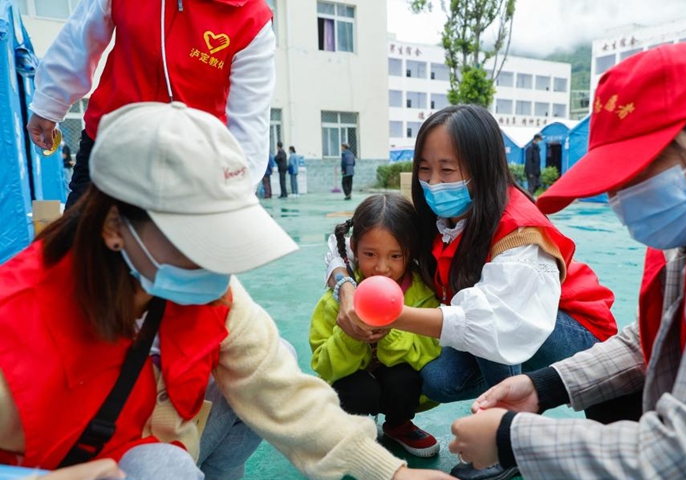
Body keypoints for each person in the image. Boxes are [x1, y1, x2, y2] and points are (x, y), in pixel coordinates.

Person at [0, 102, 453, 480]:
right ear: (115, 226)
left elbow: (281, 390)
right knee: (163, 468)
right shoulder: (16, 323)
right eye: (196, 240)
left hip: (158, 435)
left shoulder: (210, 290)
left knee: (272, 363)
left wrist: (394, 473)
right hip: (74, 463)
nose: (217, 263)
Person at [448, 43, 686, 480]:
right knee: (610, 397)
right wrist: (544, 386)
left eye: (641, 172)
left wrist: (510, 439)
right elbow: (650, 339)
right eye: (614, 182)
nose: (621, 200)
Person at [328, 105, 631, 480]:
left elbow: (493, 321)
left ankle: (508, 445)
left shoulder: (518, 229)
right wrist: (345, 285)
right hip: (498, 327)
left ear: (482, 167)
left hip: (575, 334)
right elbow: (345, 239)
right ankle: (503, 404)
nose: (434, 182)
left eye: (448, 169)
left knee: (490, 328)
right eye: (424, 168)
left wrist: (391, 315)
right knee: (439, 379)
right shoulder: (440, 217)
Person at [26, 0, 276, 209]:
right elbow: (80, 38)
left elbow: (248, 123)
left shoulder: (251, 19)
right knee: (78, 251)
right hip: (108, 146)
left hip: (190, 166)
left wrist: (237, 194)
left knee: (173, 259)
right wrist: (50, 103)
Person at [310, 194, 442, 458]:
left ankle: (398, 424)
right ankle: (350, 428)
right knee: (359, 390)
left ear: (411, 253)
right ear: (354, 248)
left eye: (395, 256)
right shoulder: (338, 299)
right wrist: (349, 337)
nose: (382, 268)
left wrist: (392, 332)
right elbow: (323, 365)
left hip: (396, 379)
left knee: (405, 379)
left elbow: (428, 355)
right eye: (370, 254)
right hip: (357, 381)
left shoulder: (422, 295)